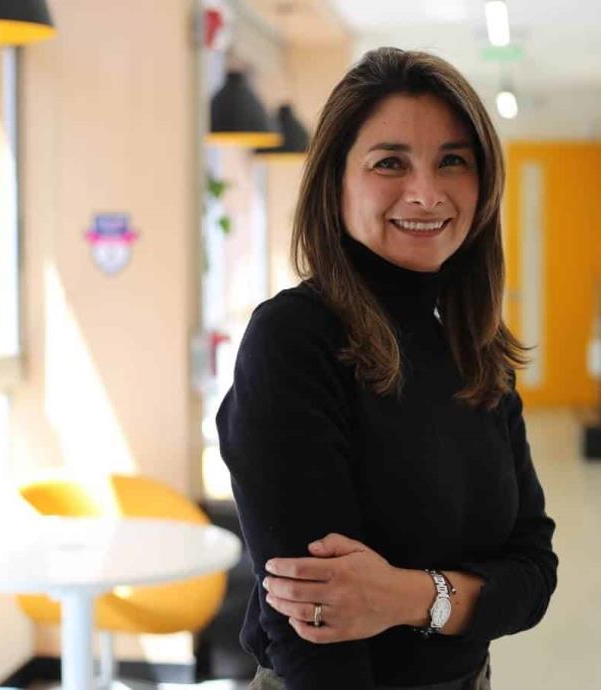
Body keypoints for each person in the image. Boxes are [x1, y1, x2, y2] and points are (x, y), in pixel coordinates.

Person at [216, 47, 559, 690]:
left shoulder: (475, 347)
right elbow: (315, 635)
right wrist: (464, 599)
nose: (426, 193)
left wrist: (407, 596)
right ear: (336, 183)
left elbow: (534, 576)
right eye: (389, 163)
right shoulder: (294, 340)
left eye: (452, 160)